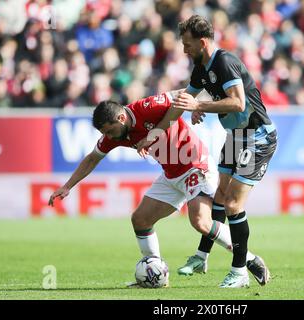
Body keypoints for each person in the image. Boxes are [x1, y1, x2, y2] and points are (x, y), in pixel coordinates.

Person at [47, 91, 260, 287]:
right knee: (140, 219)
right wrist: (67, 187)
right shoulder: (116, 135)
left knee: (201, 222)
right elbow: (92, 158)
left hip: (196, 165)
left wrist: (197, 107)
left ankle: (249, 259)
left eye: (110, 131)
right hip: (171, 175)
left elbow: (184, 94)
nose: (110, 137)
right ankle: (155, 274)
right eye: (106, 134)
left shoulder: (147, 107)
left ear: (121, 118)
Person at [138, 15, 277, 288]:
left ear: (202, 42)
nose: (184, 50)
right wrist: (156, 132)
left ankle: (240, 272)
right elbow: (182, 103)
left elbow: (237, 103)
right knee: (220, 197)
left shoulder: (224, 62)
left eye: (187, 44)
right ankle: (202, 256)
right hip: (235, 136)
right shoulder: (200, 67)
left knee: (234, 205)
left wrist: (200, 107)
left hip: (257, 138)